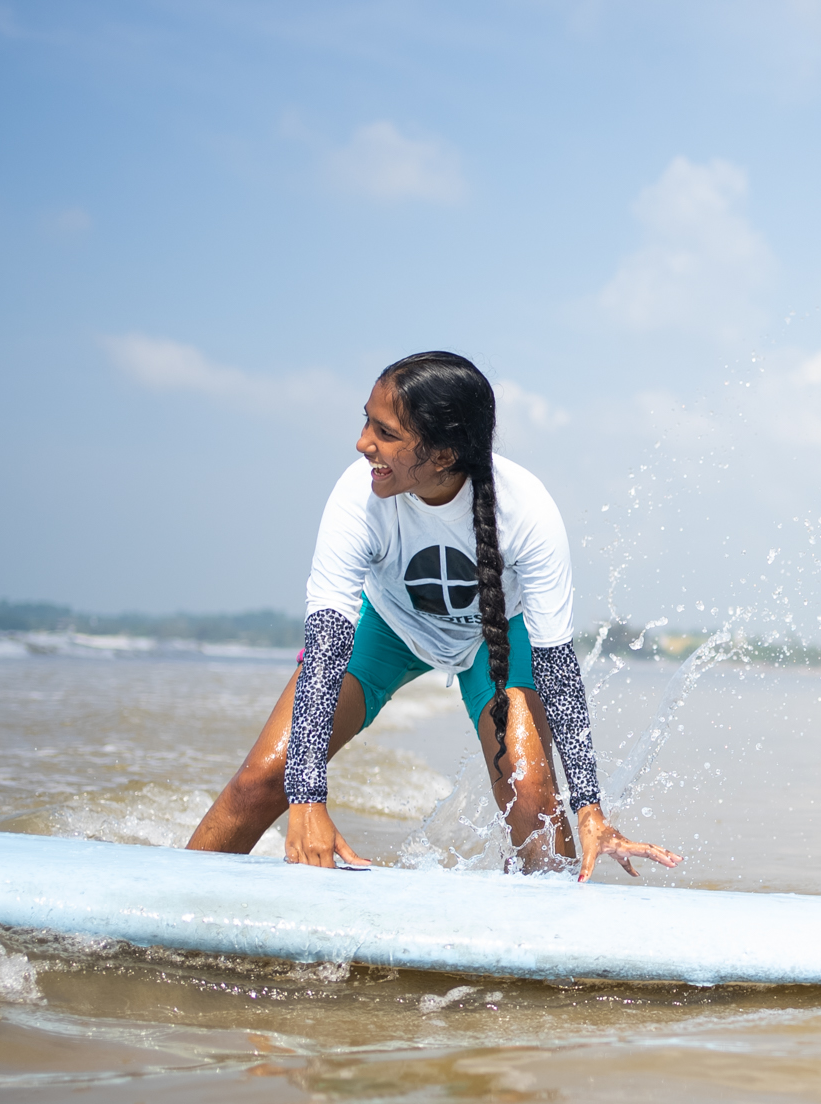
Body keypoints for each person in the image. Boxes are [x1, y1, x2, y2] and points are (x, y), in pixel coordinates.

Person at [187, 350, 676, 882]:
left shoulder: (526, 510)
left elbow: (557, 665)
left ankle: (555, 946)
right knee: (263, 781)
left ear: (443, 455)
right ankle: (173, 900)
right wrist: (307, 799)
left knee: (533, 799)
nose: (362, 443)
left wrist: (590, 807)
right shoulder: (358, 495)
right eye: (366, 421)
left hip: (496, 636)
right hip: (387, 628)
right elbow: (327, 642)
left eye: (386, 432)